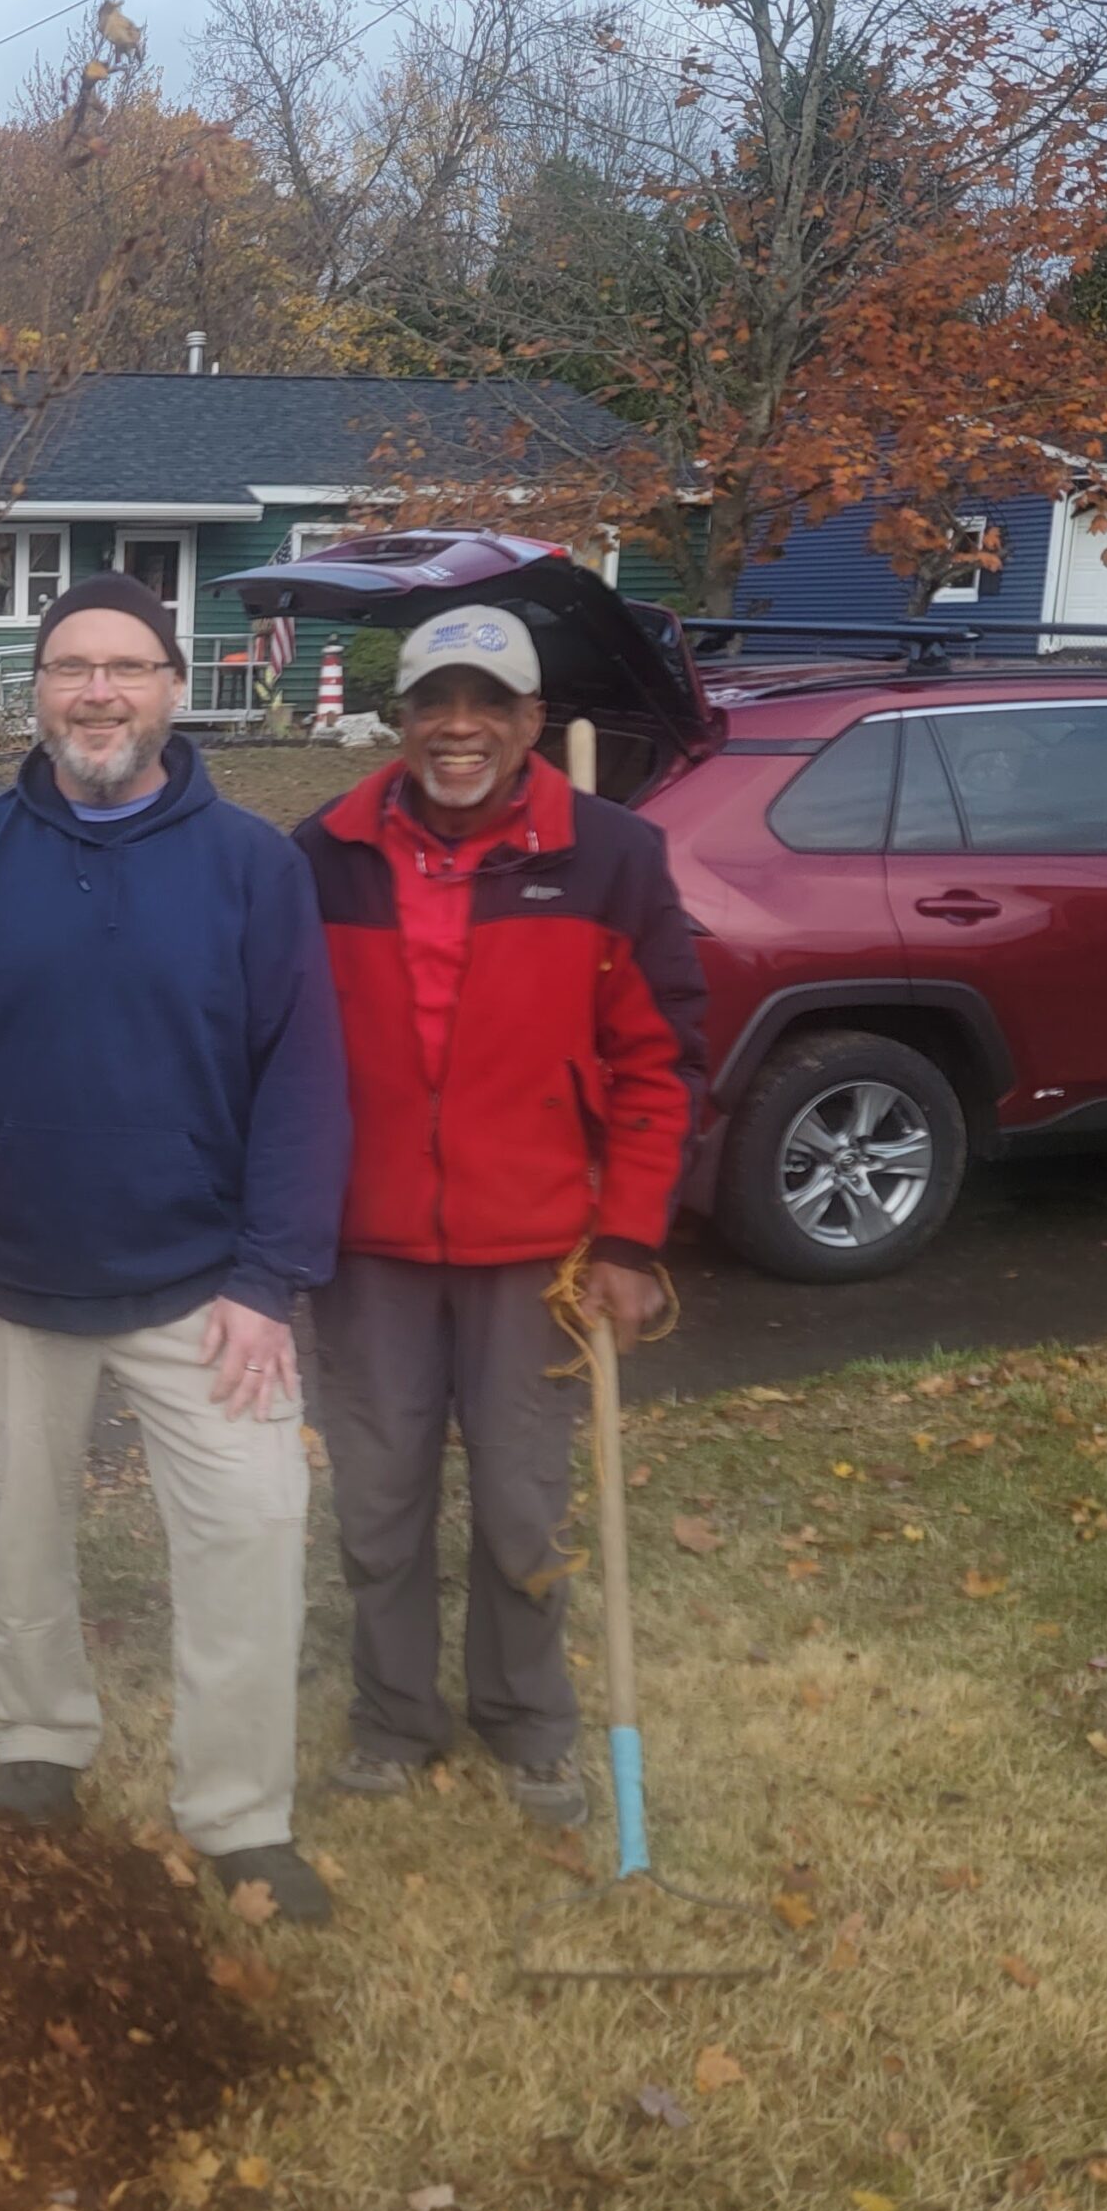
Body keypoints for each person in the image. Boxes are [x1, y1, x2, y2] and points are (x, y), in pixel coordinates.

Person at [0, 572, 350, 1923]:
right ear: (36, 692)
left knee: (254, 1534)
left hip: (206, 1294)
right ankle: (37, 1747)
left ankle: (241, 1814)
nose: (97, 691)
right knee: (18, 1541)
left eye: (126, 668)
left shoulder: (253, 869)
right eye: (72, 666)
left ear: (175, 690)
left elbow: (304, 1081)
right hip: (6, 1286)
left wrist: (270, 1278)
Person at [292, 604, 706, 1826]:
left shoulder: (611, 855)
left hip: (538, 1249)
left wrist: (630, 1239)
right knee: (377, 1498)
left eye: (487, 703)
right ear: (399, 719)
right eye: (432, 702)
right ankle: (393, 1718)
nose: (457, 727)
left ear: (533, 720)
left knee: (524, 1502)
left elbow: (659, 1060)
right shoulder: (320, 852)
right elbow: (268, 1047)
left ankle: (527, 1724)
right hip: (367, 1250)